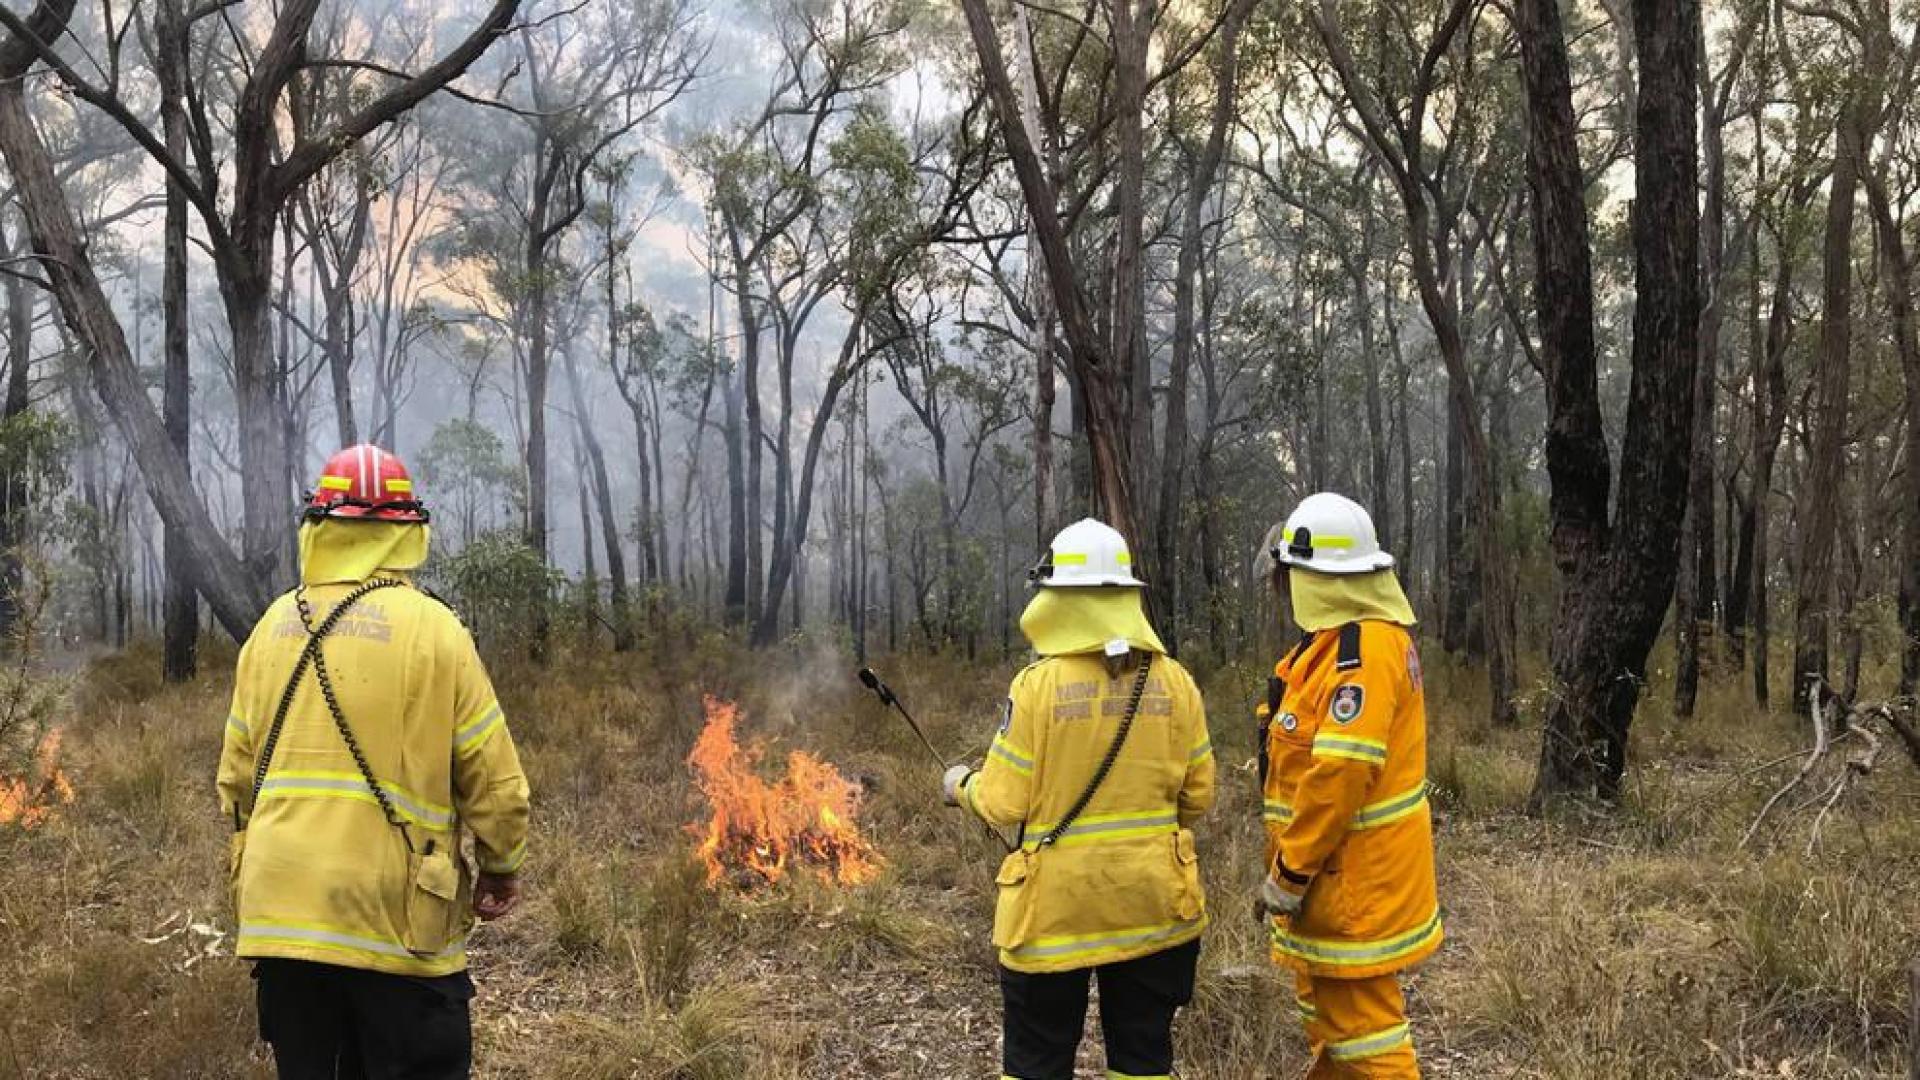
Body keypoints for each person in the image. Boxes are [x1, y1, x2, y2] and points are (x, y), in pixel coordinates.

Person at [217, 444, 531, 1080]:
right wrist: (501, 867)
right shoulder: (435, 630)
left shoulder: (270, 629)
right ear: (406, 530)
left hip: (282, 925)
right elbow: (493, 780)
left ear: (320, 528)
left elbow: (235, 785)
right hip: (395, 933)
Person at [942, 518, 1214, 1080]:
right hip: (1153, 906)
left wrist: (960, 786)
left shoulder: (1037, 687)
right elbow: (1199, 796)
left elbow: (1004, 803)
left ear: (1059, 597)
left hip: (1053, 915)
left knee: (1038, 1060)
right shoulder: (1177, 681)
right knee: (1143, 1059)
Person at [1254, 492, 1441, 1078]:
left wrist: (1290, 873)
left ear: (1312, 576)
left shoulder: (1363, 653)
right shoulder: (1329, 649)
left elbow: (1339, 774)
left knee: (1368, 1040)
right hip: (1332, 884)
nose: (1280, 590)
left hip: (1351, 883)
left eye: (1287, 577)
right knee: (1336, 1032)